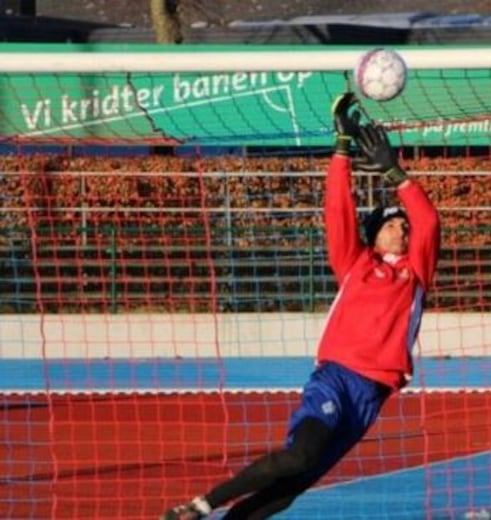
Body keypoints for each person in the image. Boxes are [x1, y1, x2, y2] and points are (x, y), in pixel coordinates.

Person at [160, 93, 440, 520]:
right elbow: (337, 210)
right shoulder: (356, 264)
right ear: (373, 235)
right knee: (299, 455)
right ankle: (201, 505)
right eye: (391, 224)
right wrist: (341, 149)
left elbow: (430, 221)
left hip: (371, 396)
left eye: (404, 225)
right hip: (335, 378)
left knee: (293, 488)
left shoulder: (415, 272)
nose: (402, 229)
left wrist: (394, 171)